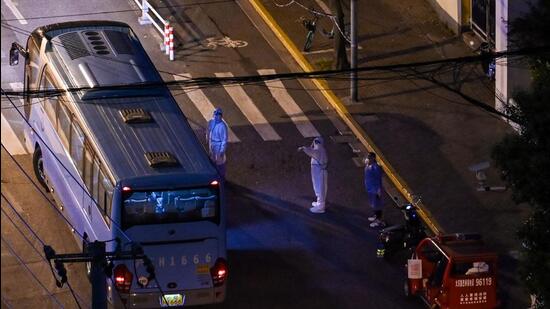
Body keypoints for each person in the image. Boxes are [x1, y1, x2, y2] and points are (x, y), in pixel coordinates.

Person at [298, 137, 328, 213]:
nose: (315, 144)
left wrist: (303, 148)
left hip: (319, 172)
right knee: (318, 187)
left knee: (320, 188)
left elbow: (310, 151)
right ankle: (319, 203)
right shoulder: (321, 150)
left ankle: (321, 207)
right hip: (318, 171)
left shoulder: (318, 151)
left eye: (316, 142)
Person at [364, 152, 385, 228]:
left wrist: (378, 190)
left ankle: (378, 220)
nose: (367, 158)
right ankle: (375, 216)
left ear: (373, 158)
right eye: (367, 157)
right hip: (369, 189)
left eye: (369, 157)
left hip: (375, 190)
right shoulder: (367, 165)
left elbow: (378, 179)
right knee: (373, 204)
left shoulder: (375, 167)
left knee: (377, 205)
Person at [207, 108, 228, 177]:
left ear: (221, 116)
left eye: (218, 115)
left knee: (219, 161)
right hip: (212, 143)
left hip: (218, 145)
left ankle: (221, 176)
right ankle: (213, 174)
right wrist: (207, 138)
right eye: (215, 114)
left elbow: (224, 139)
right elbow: (208, 130)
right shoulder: (211, 122)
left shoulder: (222, 126)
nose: (216, 116)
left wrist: (222, 150)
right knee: (212, 159)